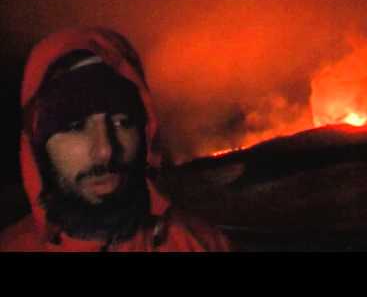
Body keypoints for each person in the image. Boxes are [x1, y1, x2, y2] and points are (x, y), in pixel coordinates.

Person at [0, 27, 232, 252]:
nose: (106, 151)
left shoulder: (201, 244)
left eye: (122, 122)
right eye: (75, 127)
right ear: (39, 145)